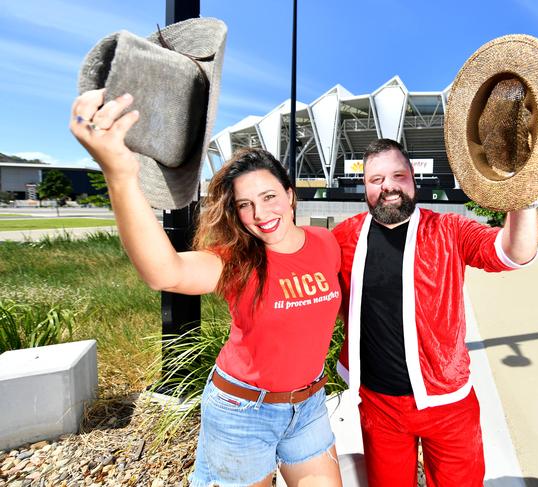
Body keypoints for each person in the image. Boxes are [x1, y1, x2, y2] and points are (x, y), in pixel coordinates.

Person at [70, 89, 343, 487]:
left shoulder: (326, 243)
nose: (260, 214)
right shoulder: (236, 261)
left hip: (310, 407)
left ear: (290, 195)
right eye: (244, 204)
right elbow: (165, 272)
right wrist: (120, 173)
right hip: (244, 412)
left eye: (269, 197)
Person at [332, 138, 538, 487]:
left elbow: (513, 252)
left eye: (398, 175)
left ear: (413, 179)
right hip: (378, 405)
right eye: (376, 179)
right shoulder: (343, 237)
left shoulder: (449, 230)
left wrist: (525, 193)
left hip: (448, 404)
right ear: (364, 186)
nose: (388, 187)